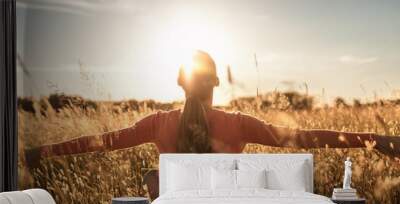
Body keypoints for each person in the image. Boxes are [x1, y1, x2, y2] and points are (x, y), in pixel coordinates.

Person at [26, 50, 400, 169]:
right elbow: (304, 138)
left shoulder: (158, 124)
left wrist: (41, 151)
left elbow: (101, 141)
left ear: (178, 84)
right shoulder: (237, 124)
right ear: (217, 83)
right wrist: (372, 139)